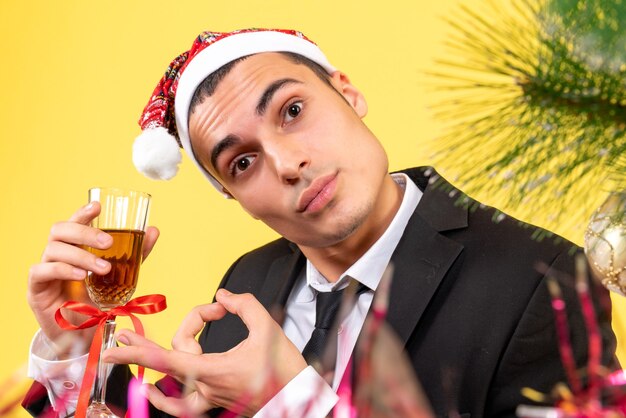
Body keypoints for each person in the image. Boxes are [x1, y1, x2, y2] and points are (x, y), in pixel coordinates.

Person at [24, 28, 618, 417]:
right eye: (244, 162)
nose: (288, 165)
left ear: (348, 92)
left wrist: (293, 401)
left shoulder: (541, 277)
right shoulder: (247, 282)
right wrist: (72, 343)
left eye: (293, 110)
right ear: (233, 196)